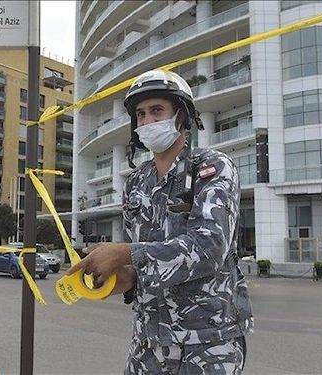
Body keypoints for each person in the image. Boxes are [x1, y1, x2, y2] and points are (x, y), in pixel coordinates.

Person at [68, 70, 254, 374]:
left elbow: (209, 248)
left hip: (207, 343)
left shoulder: (214, 167)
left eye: (157, 111)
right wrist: (114, 276)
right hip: (147, 342)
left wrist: (124, 253)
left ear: (180, 115)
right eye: (140, 114)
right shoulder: (136, 182)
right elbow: (138, 267)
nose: (147, 122)